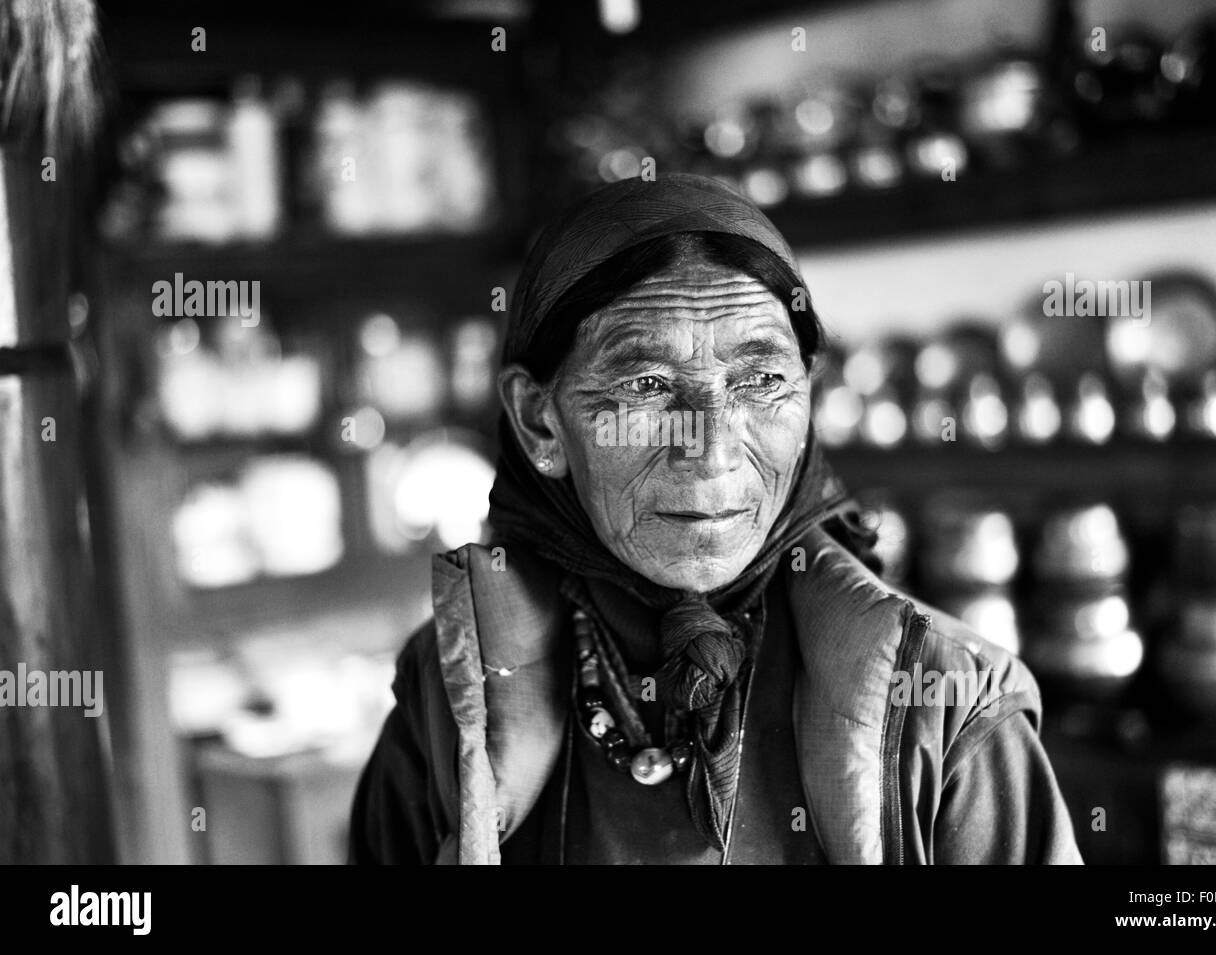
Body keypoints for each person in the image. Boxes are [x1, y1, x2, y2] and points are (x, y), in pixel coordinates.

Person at [348, 172, 1083, 865]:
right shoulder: (451, 689)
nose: (711, 453)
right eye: (646, 383)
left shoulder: (941, 702)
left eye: (762, 379)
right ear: (540, 422)